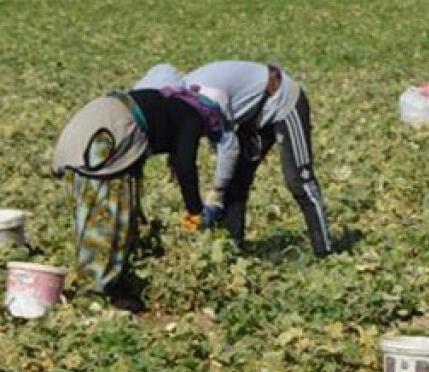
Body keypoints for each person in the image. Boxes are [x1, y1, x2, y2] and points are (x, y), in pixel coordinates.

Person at [51, 85, 231, 311]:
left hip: (85, 130)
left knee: (89, 215)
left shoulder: (170, 104)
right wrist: (195, 211)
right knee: (109, 220)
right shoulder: (194, 116)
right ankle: (95, 295)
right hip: (107, 138)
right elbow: (185, 165)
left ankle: (107, 286)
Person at [182, 61, 333, 257]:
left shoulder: (209, 101)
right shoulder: (181, 99)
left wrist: (215, 195)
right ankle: (231, 251)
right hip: (252, 116)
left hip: (282, 101)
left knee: (299, 180)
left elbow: (228, 148)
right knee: (236, 182)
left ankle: (325, 251)